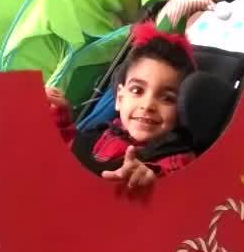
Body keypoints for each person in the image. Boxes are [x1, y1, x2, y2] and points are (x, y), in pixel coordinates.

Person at [46, 22, 198, 190]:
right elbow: (69, 154)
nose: (148, 105)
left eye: (167, 98)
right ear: (119, 98)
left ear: (182, 108)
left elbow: (177, 187)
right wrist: (56, 116)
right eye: (137, 90)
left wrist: (149, 178)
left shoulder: (177, 159)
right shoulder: (104, 133)